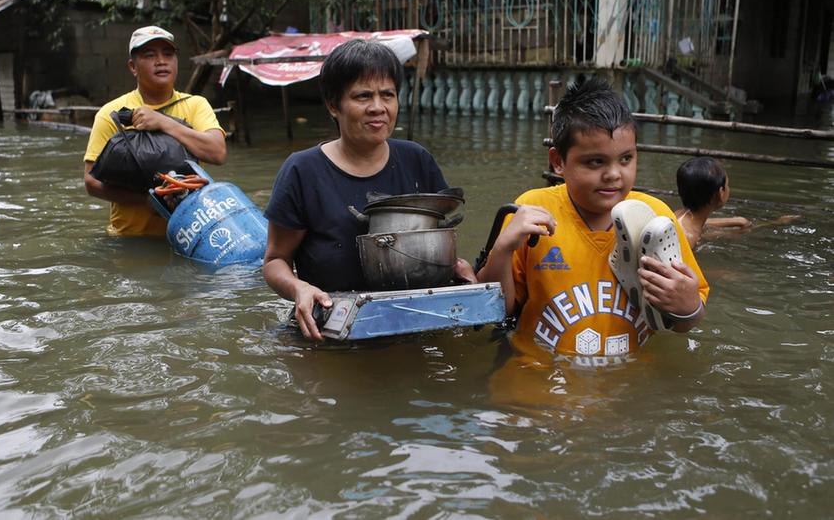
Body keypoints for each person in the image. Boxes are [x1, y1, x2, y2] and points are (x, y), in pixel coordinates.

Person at [477, 78, 709, 362]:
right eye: (595, 162)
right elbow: (495, 312)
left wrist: (688, 307)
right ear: (558, 161)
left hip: (628, 378)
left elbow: (684, 323)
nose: (614, 174)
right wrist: (502, 249)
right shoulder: (532, 211)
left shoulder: (655, 216)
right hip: (541, 375)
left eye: (626, 159)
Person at [263, 38, 471, 341]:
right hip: (330, 333)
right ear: (333, 105)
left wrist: (459, 270)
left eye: (388, 95)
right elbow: (274, 261)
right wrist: (299, 288)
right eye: (363, 96)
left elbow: (437, 242)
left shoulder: (417, 160)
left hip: (413, 323)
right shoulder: (303, 171)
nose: (378, 108)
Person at [83, 26, 227, 236]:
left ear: (176, 61)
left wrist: (163, 123)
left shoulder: (196, 105)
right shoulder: (112, 114)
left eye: (168, 54)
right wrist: (152, 201)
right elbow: (91, 182)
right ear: (133, 67)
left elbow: (218, 153)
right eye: (150, 55)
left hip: (188, 236)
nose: (161, 61)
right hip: (130, 240)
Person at [674, 156, 798, 248]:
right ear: (721, 193)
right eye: (727, 185)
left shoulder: (680, 215)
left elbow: (704, 223)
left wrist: (736, 221)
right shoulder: (689, 239)